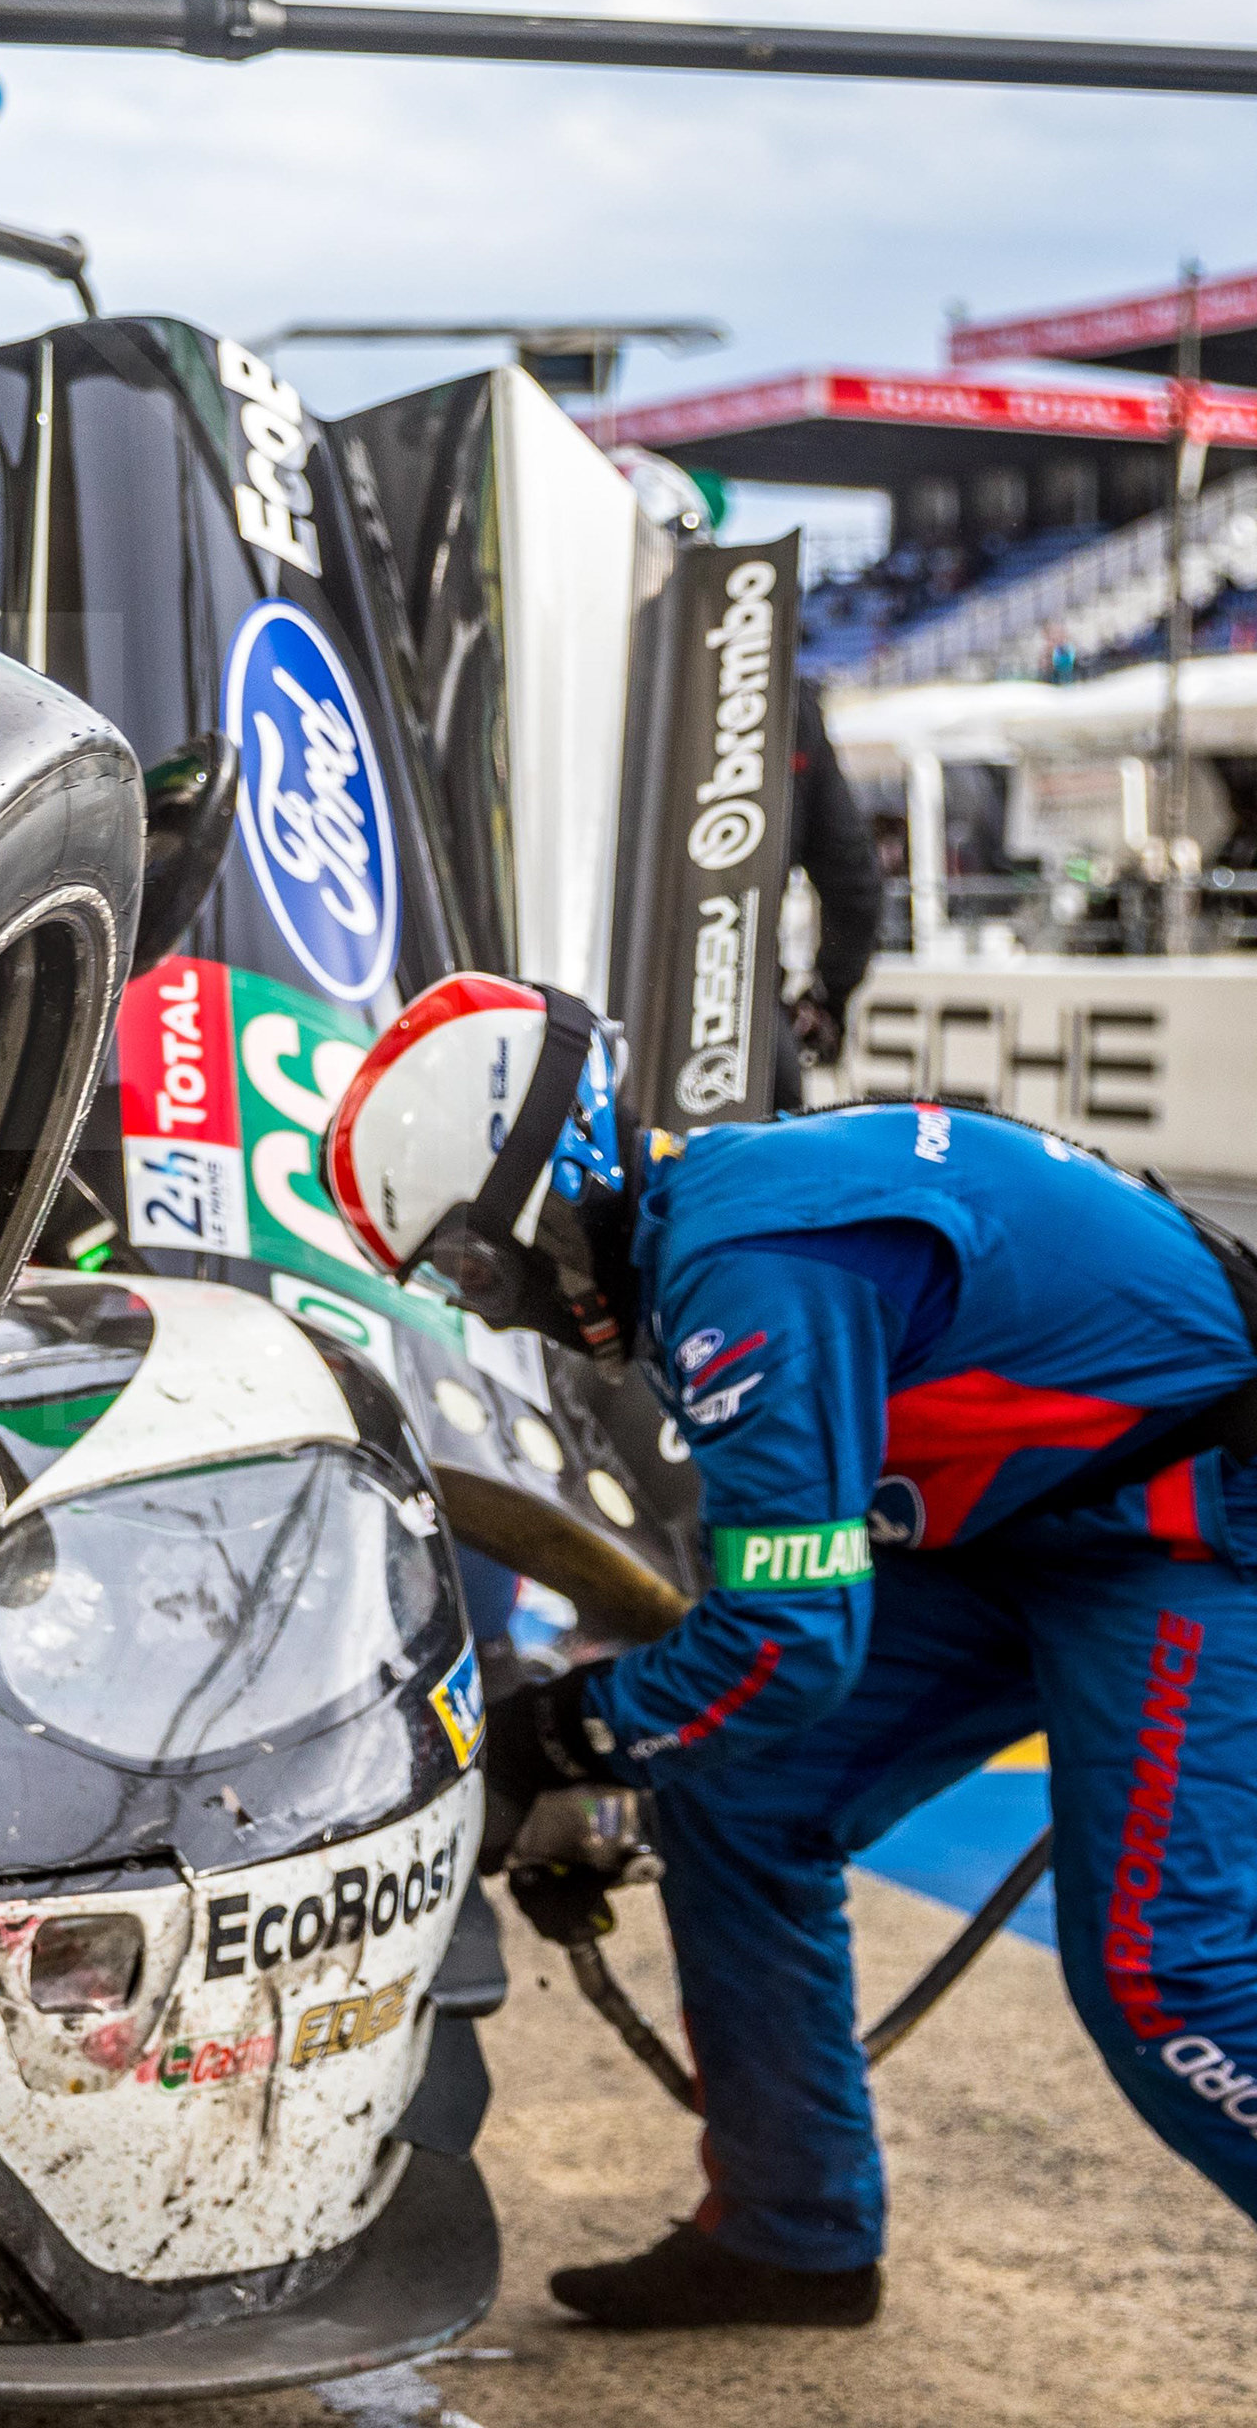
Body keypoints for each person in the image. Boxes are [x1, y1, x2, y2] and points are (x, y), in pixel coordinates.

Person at [321, 973, 1257, 2327]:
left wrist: (568, 1734)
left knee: (1162, 1972)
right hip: (1045, 1516)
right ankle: (792, 2230)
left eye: (474, 1265)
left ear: (542, 1191)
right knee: (742, 1791)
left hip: (1184, 1523)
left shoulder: (744, 1275)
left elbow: (786, 1645)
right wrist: (630, 1735)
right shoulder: (717, 1216)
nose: (490, 1306)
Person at [778, 681, 884, 1105]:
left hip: (580, 1011)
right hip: (738, 1017)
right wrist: (829, 994)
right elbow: (853, 882)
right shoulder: (781, 694)